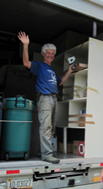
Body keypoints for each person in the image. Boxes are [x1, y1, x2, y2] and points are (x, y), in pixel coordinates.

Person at [18, 31, 74, 164]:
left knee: (51, 127)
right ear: (43, 54)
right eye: (48, 53)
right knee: (46, 127)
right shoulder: (38, 65)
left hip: (54, 98)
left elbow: (60, 82)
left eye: (52, 54)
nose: (50, 55)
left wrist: (70, 71)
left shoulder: (52, 70)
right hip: (44, 98)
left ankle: (42, 151)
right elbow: (26, 62)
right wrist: (26, 45)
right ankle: (47, 154)